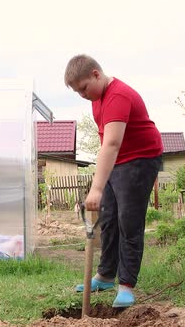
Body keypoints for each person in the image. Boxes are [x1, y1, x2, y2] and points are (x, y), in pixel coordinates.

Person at [64, 54, 163, 308]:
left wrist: (96, 188)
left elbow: (112, 143)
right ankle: (106, 275)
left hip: (140, 159)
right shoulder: (97, 99)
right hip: (118, 161)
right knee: (108, 219)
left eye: (84, 88)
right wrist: (103, 181)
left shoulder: (118, 96)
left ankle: (127, 285)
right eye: (78, 92)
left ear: (96, 74)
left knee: (128, 221)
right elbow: (107, 145)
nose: (83, 95)